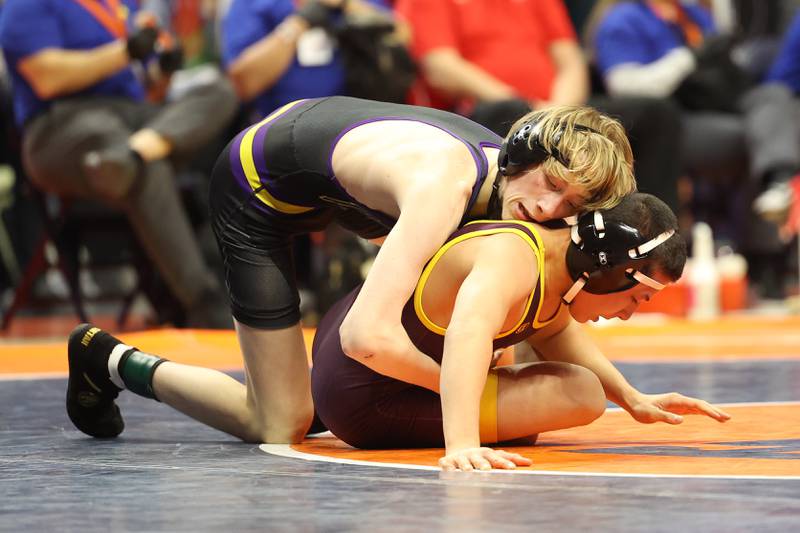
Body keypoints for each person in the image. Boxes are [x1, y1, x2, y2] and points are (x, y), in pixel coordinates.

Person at [64, 98, 636, 444]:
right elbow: (368, 337)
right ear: (525, 156)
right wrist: (464, 393)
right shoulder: (445, 184)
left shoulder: (511, 192)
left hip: (339, 178)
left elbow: (537, 319)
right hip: (257, 186)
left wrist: (626, 394)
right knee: (280, 421)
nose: (549, 210)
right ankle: (109, 360)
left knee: (489, 310)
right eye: (552, 186)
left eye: (571, 206)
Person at [311, 191, 731, 471]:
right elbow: (467, 334)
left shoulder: (552, 253)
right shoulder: (511, 258)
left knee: (555, 383)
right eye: (636, 299)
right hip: (366, 394)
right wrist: (462, 445)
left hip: (351, 357)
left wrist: (632, 399)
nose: (626, 315)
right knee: (578, 395)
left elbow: (554, 331)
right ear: (605, 274)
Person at [0, 0, 238, 327]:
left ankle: (134, 153)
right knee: (147, 164)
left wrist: (162, 72)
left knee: (220, 90)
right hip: (60, 125)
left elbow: (147, 90)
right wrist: (124, 52)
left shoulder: (119, 4)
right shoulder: (27, 4)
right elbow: (46, 78)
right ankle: (204, 303)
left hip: (129, 119)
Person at [589, 0, 800, 298]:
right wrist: (687, 58)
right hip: (676, 121)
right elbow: (624, 87)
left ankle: (777, 180)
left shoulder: (690, 11)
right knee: (759, 138)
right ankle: (765, 254)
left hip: (723, 104)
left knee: (776, 99)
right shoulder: (622, 19)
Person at [394, 0, 683, 213]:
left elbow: (570, 60)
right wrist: (527, 106)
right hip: (486, 109)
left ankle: (648, 235)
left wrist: (558, 111)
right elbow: (441, 68)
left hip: (555, 108)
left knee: (656, 113)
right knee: (506, 111)